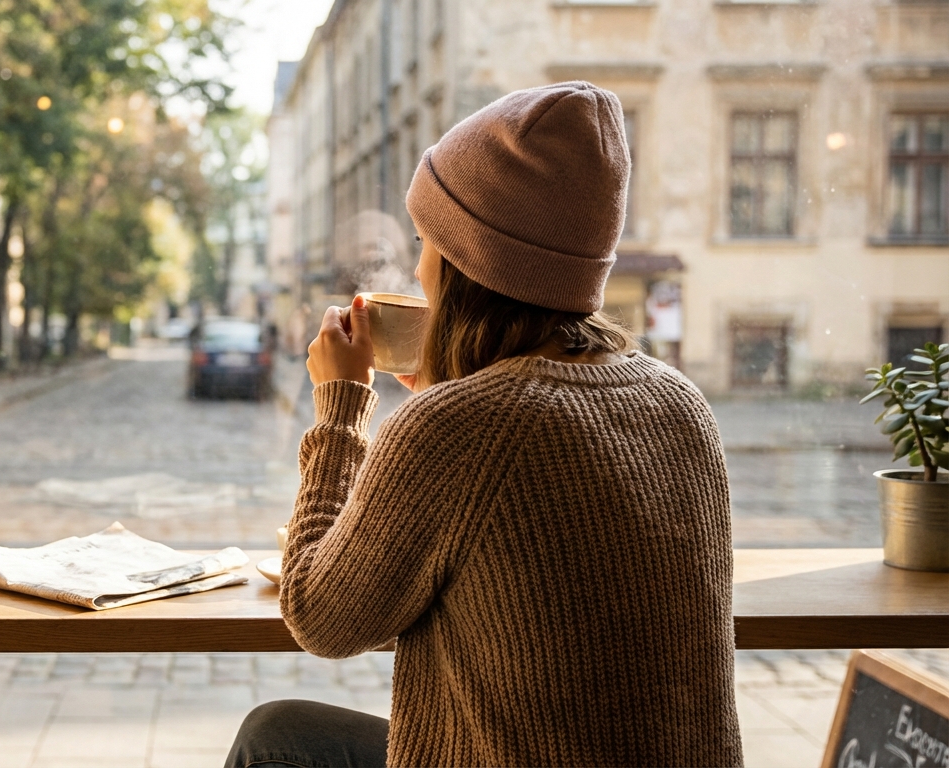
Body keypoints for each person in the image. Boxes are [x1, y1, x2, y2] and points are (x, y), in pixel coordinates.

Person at [225, 82, 742, 767]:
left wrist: (343, 405)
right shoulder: (680, 401)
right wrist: (456, 389)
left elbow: (321, 618)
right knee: (282, 732)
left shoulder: (455, 428)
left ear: (469, 261)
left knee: (274, 742)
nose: (416, 267)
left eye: (426, 241)